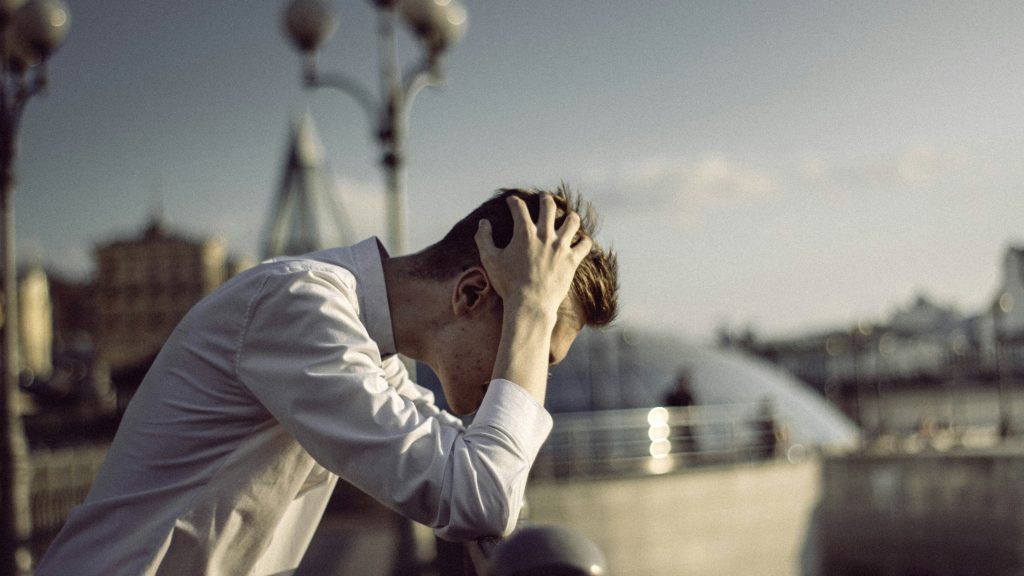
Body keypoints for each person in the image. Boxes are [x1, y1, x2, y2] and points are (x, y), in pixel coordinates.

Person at [35, 186, 618, 576]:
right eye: (532, 346)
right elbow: (481, 499)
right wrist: (532, 309)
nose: (525, 368)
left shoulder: (365, 349)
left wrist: (528, 312)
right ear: (470, 293)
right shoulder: (298, 307)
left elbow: (483, 481)